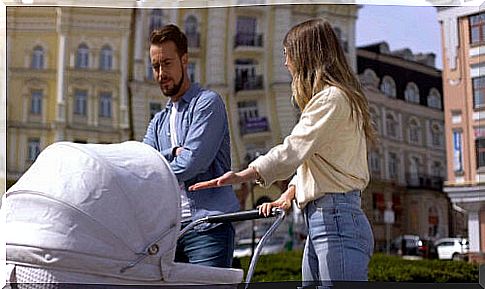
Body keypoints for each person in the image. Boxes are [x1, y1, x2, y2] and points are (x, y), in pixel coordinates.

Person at [189, 18, 376, 287]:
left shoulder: (331, 99)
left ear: (305, 56)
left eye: (287, 54)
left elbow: (293, 149)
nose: (285, 63)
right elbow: (316, 162)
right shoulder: (333, 100)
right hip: (326, 219)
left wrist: (244, 174)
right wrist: (287, 196)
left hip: (335, 218)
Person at [143, 24, 240, 268]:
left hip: (207, 228)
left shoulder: (208, 104)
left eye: (167, 63)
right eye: (156, 66)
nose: (161, 73)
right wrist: (173, 152)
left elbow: (191, 164)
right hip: (168, 233)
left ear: (184, 60)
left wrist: (159, 163)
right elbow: (141, 164)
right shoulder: (158, 121)